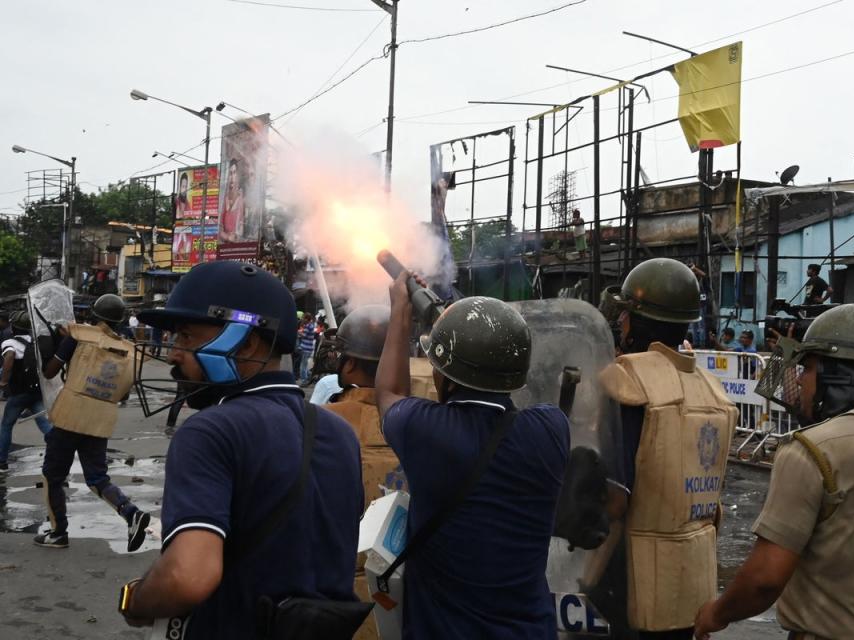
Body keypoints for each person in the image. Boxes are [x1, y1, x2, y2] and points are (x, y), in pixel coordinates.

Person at [118, 261, 363, 638]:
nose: (172, 354)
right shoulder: (339, 431)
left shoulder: (210, 431)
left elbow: (188, 577)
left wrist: (135, 600)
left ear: (246, 342)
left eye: (186, 337)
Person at [695, 304, 854, 639]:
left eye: (805, 370)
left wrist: (715, 614)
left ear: (836, 375)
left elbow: (764, 579)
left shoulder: (809, 451)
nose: (799, 380)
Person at [376, 282, 570, 639]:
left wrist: (401, 309)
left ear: (445, 375)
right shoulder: (552, 429)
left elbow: (389, 393)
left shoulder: (427, 431)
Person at [597, 258, 737, 639]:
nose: (621, 323)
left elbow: (614, 499)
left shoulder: (629, 381)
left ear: (636, 321)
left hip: (635, 589)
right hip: (693, 587)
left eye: (625, 315)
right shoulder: (713, 389)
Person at [37, 294, 150, 551]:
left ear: (94, 314)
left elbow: (50, 371)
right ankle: (131, 513)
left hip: (70, 414)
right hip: (100, 419)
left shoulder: (78, 335)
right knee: (97, 477)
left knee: (52, 475)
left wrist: (55, 349)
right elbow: (123, 394)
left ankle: (58, 532)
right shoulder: (127, 350)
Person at [0, 311, 53, 471]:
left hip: (19, 394)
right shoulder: (36, 343)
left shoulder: (10, 342)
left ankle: (2, 460)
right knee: (44, 423)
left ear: (14, 327)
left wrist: (3, 381)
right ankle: (58, 451)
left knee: (6, 425)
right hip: (36, 391)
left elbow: (9, 358)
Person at [220, 158, 245, 242]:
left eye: (234, 173)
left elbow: (242, 226)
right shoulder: (223, 198)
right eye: (230, 173)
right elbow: (218, 228)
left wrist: (236, 236)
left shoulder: (241, 198)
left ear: (237, 175)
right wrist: (227, 237)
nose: (232, 177)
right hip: (223, 248)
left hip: (239, 247)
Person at [297, 312, 316, 383]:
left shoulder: (308, 326)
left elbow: (304, 335)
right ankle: (311, 377)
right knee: (304, 365)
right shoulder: (311, 325)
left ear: (307, 319)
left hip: (306, 348)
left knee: (303, 366)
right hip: (308, 348)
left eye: (304, 318)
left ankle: (304, 380)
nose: (303, 319)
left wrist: (298, 332)